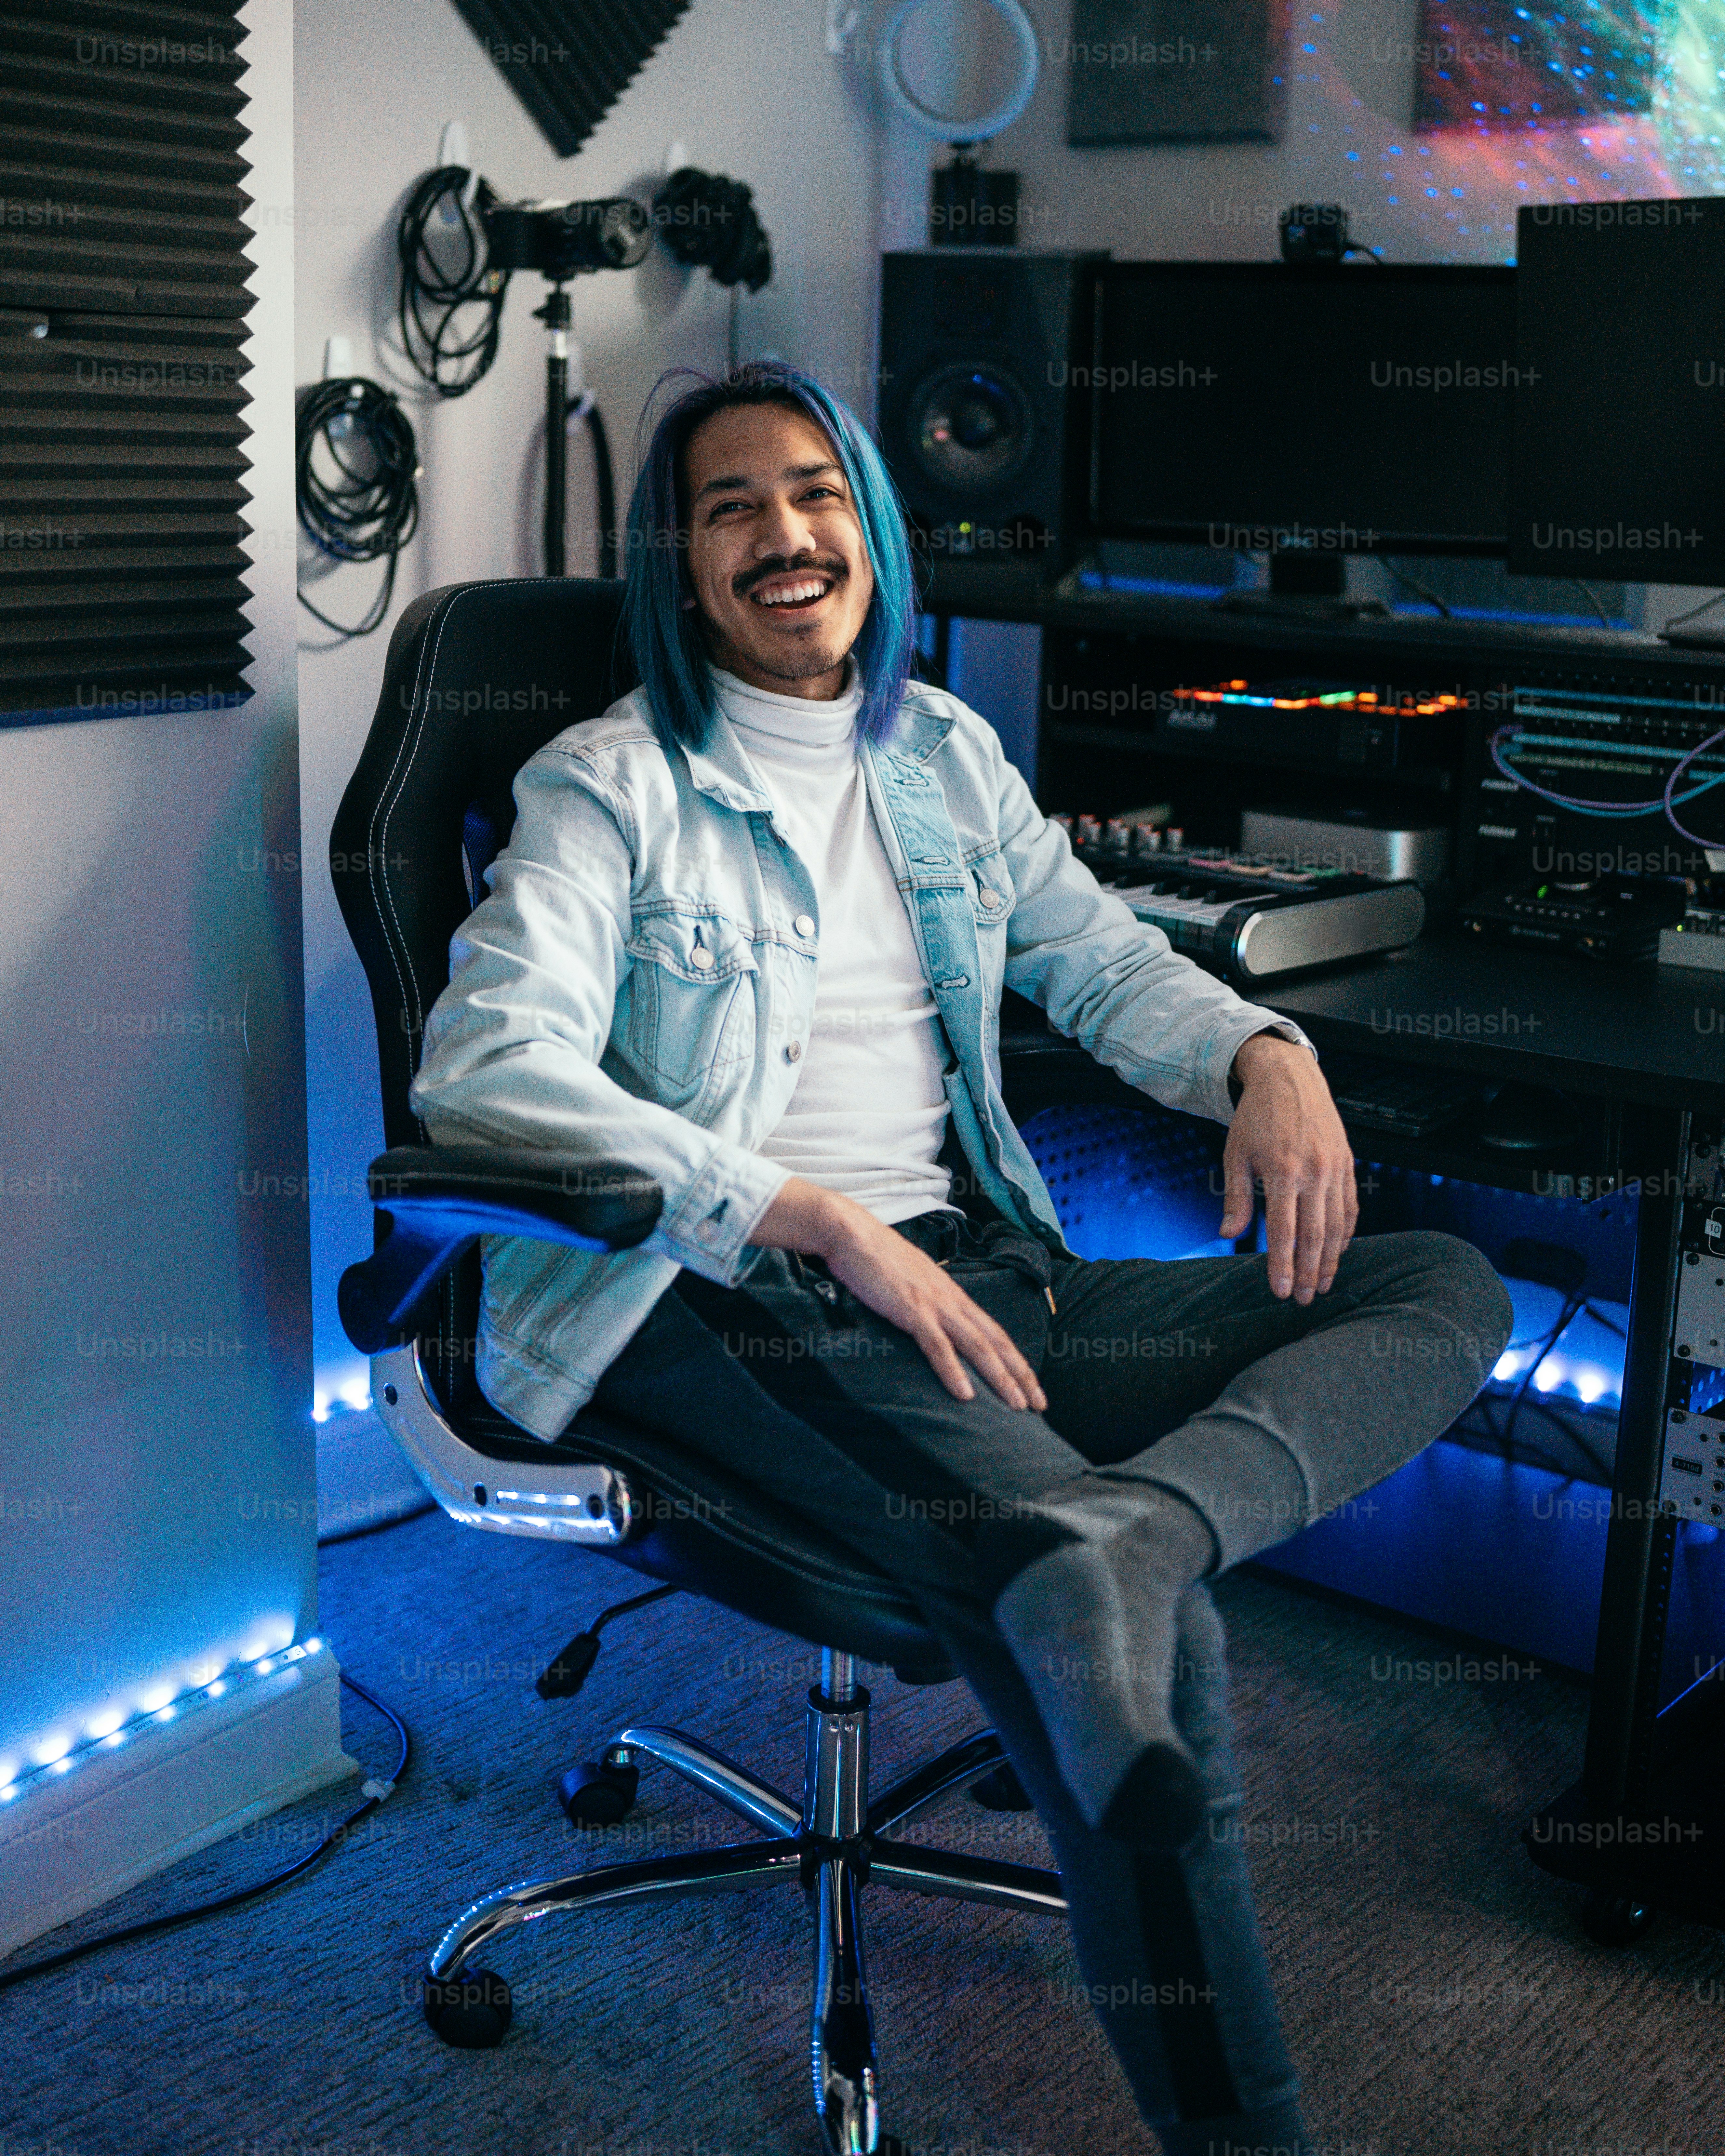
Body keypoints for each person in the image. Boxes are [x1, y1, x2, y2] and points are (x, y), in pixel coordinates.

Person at [410, 361, 1512, 2156]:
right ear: (682, 566)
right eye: (730, 506)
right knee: (1138, 1647)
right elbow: (488, 1066)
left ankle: (1135, 1533)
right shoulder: (606, 783)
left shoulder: (940, 753)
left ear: (873, 527)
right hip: (727, 1297)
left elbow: (1094, 960)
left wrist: (1265, 1053)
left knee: (1440, 1282)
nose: (784, 533)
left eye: (816, 492)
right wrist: (811, 1213)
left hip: (985, 1273)